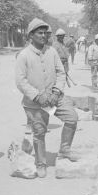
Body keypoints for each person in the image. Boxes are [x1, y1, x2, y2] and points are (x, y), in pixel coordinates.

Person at [15, 18, 78, 178]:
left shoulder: (52, 51)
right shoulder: (24, 55)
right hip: (35, 102)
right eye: (39, 33)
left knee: (72, 118)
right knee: (39, 132)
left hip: (54, 98)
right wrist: (37, 96)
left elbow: (60, 73)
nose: (43, 36)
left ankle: (65, 149)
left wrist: (56, 92)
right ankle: (41, 163)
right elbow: (20, 81)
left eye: (45, 33)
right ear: (31, 35)